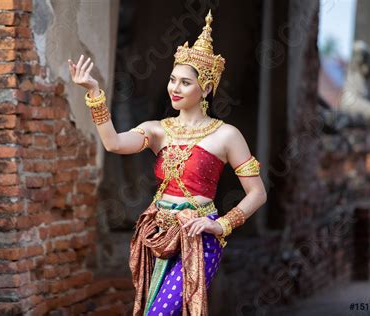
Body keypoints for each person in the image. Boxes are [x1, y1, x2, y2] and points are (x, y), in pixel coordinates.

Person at [69, 10, 267, 316]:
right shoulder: (159, 130)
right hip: (158, 233)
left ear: (207, 88)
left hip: (199, 238)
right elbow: (114, 143)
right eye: (173, 79)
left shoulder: (226, 135)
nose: (175, 87)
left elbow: (257, 193)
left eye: (185, 82)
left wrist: (220, 224)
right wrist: (95, 94)